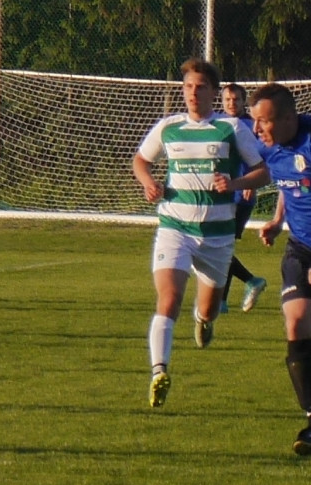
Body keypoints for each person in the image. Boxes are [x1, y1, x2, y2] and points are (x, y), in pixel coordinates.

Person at [132, 58, 268, 409]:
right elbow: (141, 161)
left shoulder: (231, 128)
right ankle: (159, 371)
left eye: (201, 87)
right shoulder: (169, 127)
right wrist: (149, 183)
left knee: (207, 310)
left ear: (213, 91)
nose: (194, 93)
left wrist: (234, 183)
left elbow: (262, 172)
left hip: (218, 236)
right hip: (175, 227)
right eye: (189, 86)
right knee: (168, 299)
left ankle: (203, 320)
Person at [249, 83, 311, 454]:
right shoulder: (267, 146)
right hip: (300, 247)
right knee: (296, 321)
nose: (258, 130)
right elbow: (290, 184)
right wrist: (275, 220)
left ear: (289, 118)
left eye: (265, 122)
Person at [219, 83, 268, 314]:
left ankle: (227, 296)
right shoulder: (217, 123)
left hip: (240, 196)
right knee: (221, 246)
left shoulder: (250, 125)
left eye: (236, 100)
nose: (231, 104)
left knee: (223, 246)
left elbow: (260, 157)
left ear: (243, 101)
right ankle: (238, 290)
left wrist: (250, 181)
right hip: (219, 196)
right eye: (228, 99)